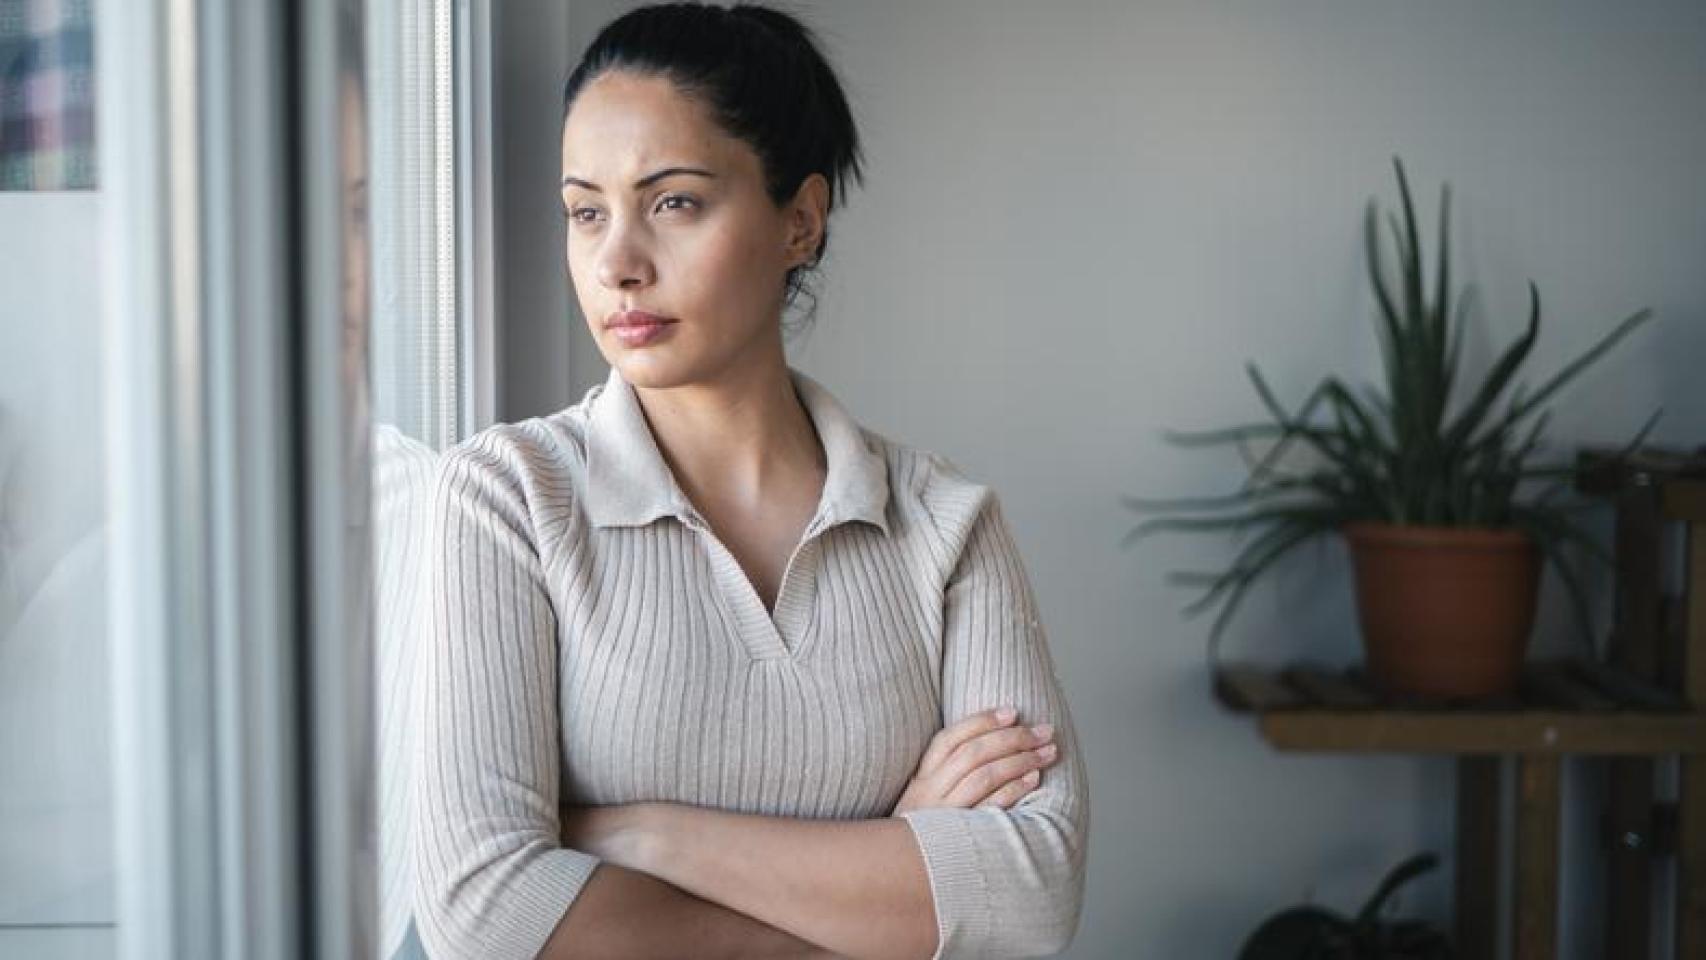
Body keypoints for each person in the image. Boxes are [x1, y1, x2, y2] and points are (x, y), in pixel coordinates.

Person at [410, 4, 1089, 958]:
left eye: (674, 203)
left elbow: (1029, 898)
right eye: (587, 211)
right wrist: (890, 872)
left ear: (799, 221)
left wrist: (639, 834)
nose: (617, 263)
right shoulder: (504, 498)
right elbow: (484, 911)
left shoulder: (943, 524)